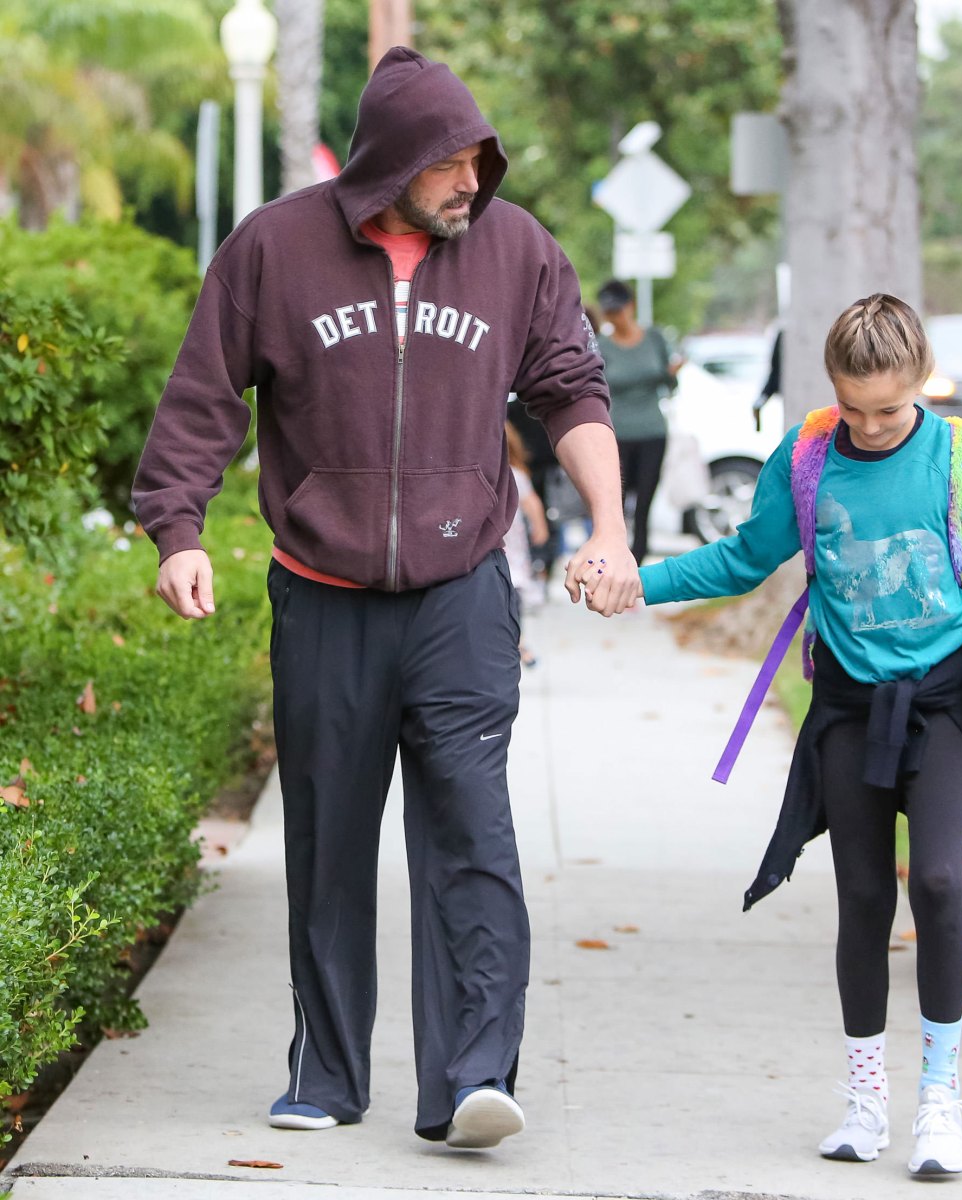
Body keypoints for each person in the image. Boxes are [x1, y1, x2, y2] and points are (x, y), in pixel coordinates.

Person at [132, 47, 638, 1150]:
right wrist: (178, 530)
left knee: (471, 832)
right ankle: (326, 1072)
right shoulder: (275, 247)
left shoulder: (514, 250)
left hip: (462, 593)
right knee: (328, 841)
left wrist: (608, 525)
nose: (473, 182)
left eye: (481, 160)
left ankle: (471, 1079)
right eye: (453, 163)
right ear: (395, 161)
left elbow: (570, 390)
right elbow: (204, 395)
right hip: (323, 594)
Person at [585, 294, 962, 1176]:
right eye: (854, 407)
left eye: (890, 408)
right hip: (847, 707)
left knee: (940, 885)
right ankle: (866, 1100)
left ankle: (939, 1101)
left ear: (920, 386)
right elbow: (744, 556)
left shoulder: (960, 462)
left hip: (946, 702)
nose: (870, 427)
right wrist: (641, 580)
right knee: (865, 898)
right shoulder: (805, 458)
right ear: (832, 387)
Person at [595, 279, 681, 564]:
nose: (615, 318)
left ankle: (637, 563)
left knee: (644, 502)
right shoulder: (602, 345)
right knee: (615, 503)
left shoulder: (654, 338)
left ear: (630, 307)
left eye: (618, 311)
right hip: (617, 432)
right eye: (609, 313)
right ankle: (615, 559)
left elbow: (670, 383)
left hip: (652, 430)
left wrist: (672, 372)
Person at [503, 420, 551, 666]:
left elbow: (532, 502)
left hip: (511, 550)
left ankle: (518, 644)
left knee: (512, 600)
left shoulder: (515, 474)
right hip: (502, 549)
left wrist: (540, 527)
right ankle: (516, 644)